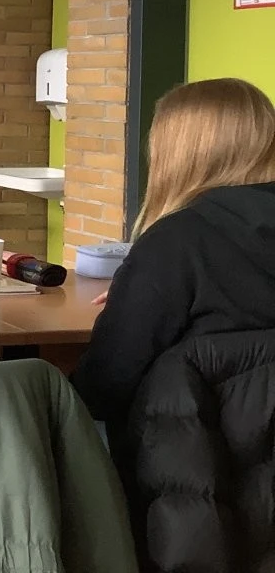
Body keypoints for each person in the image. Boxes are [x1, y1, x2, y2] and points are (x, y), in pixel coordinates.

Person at [71, 77, 275, 431]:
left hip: (196, 470)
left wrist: (137, 297)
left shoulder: (176, 243)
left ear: (177, 155)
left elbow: (101, 390)